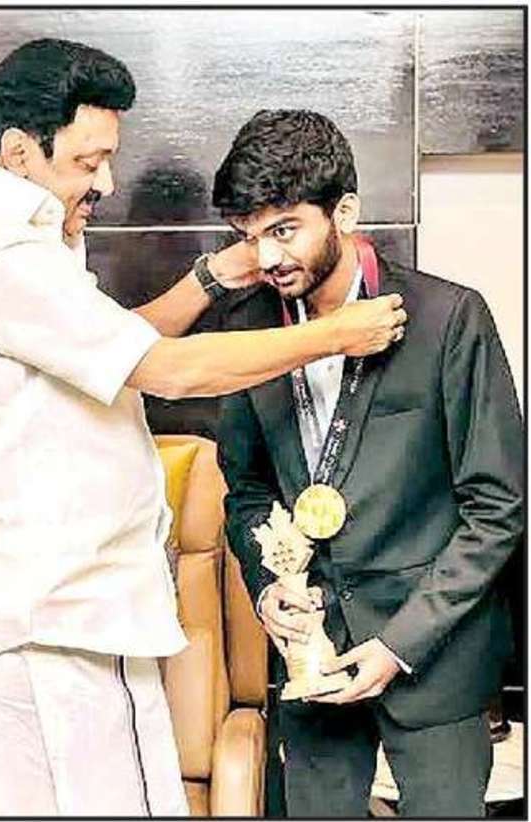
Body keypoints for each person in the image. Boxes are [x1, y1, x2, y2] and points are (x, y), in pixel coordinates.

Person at [0, 41, 406, 817]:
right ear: (19, 153)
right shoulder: (6, 255)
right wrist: (336, 335)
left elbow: (112, 347)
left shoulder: (19, 243)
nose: (106, 183)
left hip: (50, 624)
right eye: (89, 162)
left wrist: (211, 278)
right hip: (58, 628)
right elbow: (166, 371)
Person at [214, 109, 523, 818]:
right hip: (309, 658)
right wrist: (267, 590)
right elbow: (246, 490)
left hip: (434, 659)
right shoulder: (247, 329)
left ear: (345, 213)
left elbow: (498, 506)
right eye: (250, 236)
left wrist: (398, 644)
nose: (266, 257)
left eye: (284, 230)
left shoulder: (448, 318)